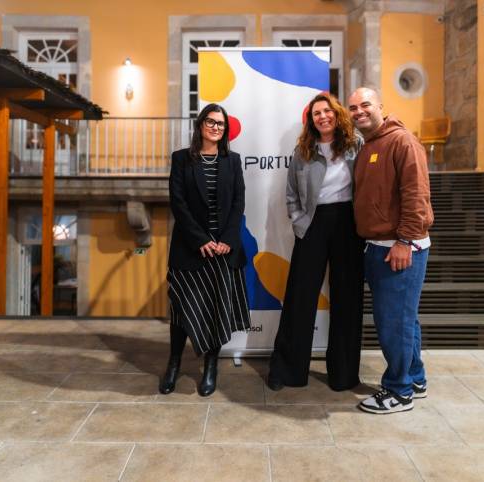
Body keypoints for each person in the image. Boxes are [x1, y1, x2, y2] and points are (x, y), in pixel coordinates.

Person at [267, 92, 364, 392]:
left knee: (347, 298)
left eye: (327, 111)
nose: (322, 117)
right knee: (299, 297)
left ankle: (344, 375)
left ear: (336, 114)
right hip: (313, 224)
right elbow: (291, 194)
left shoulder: (355, 145)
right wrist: (299, 222)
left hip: (348, 223)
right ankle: (287, 371)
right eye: (316, 113)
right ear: (310, 120)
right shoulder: (303, 151)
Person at [347, 87, 433, 414]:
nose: (359, 112)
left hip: (399, 249)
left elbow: (416, 196)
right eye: (353, 108)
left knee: (393, 322)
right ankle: (414, 376)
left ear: (380, 106)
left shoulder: (402, 142)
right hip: (378, 245)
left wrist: (405, 242)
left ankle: (399, 391)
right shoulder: (370, 145)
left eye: (365, 105)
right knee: (403, 320)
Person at [159, 103, 251, 397]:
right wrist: (200, 239)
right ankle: (174, 362)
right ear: (200, 125)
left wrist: (227, 239)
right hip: (190, 246)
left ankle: (211, 364)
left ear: (225, 130)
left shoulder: (232, 161)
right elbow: (178, 203)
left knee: (215, 309)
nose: (215, 127)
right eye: (210, 122)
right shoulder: (182, 159)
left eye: (220, 124)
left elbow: (239, 202)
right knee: (180, 310)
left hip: (222, 250)